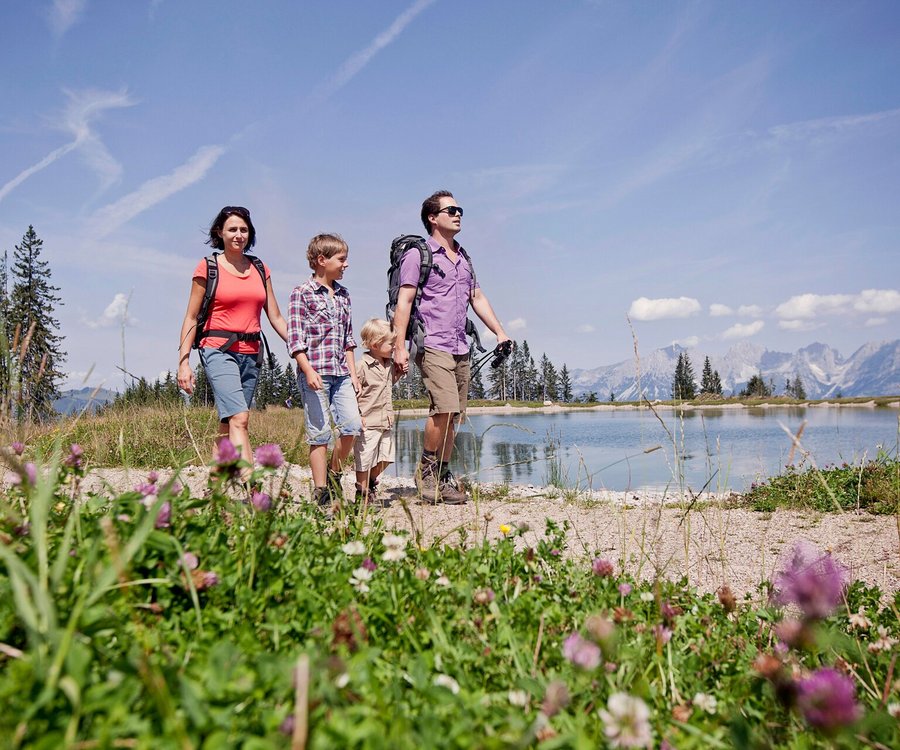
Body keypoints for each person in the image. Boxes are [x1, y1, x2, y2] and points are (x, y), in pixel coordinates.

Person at [392, 190, 510, 504]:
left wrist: (499, 332)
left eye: (460, 209)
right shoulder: (419, 254)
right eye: (451, 210)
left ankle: (442, 475)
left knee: (455, 415)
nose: (458, 214)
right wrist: (399, 346)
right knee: (443, 408)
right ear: (433, 218)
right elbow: (404, 300)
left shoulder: (464, 257)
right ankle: (426, 473)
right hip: (431, 343)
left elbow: (478, 298)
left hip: (460, 345)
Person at [177, 206, 288, 474]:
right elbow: (191, 317)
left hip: (252, 352)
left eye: (244, 230)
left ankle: (214, 491)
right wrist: (183, 363)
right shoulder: (209, 267)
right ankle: (253, 489)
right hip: (217, 349)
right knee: (240, 418)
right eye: (233, 229)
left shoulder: (260, 268)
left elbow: (275, 316)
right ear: (220, 233)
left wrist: (299, 347)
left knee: (228, 423)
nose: (239, 235)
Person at [287, 233, 362, 509]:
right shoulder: (301, 293)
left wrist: (353, 374)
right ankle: (321, 491)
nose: (346, 265)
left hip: (342, 374)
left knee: (352, 426)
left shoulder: (344, 295)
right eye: (341, 259)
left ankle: (334, 474)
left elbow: (349, 340)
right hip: (315, 373)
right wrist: (307, 370)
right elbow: (295, 339)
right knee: (319, 434)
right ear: (322, 260)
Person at [353, 318, 400, 506]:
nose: (395, 347)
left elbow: (386, 387)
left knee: (388, 458)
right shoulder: (362, 366)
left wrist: (399, 373)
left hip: (386, 420)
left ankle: (371, 481)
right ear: (375, 345)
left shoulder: (388, 364)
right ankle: (362, 493)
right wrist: (357, 416)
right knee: (364, 460)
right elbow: (353, 392)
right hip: (368, 421)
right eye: (391, 343)